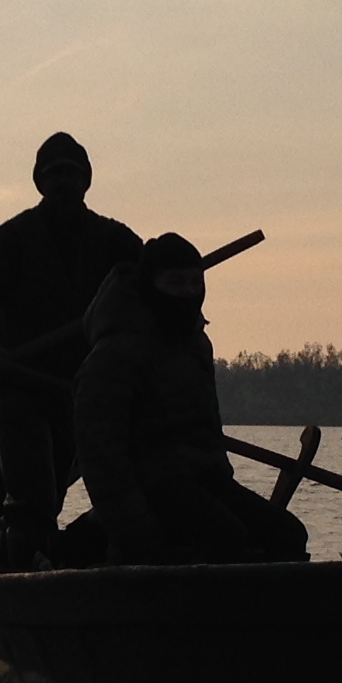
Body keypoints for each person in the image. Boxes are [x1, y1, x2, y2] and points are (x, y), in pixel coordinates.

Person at [74, 233, 309, 566]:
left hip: (204, 479)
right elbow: (100, 456)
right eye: (175, 282)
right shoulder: (114, 354)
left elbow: (206, 431)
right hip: (151, 486)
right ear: (150, 285)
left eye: (194, 282)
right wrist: (134, 529)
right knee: (225, 537)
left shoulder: (196, 345)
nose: (187, 292)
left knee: (288, 535)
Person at [0, 132, 141, 563]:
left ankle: (35, 553)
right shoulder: (12, 238)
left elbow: (152, 294)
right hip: (18, 385)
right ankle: (15, 576)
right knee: (33, 500)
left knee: (63, 484)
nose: (64, 182)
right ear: (40, 181)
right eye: (55, 173)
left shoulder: (117, 242)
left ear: (87, 181)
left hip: (83, 388)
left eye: (73, 173)